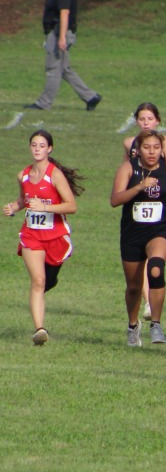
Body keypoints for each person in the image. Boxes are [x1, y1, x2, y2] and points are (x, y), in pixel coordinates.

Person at [3, 130, 84, 345]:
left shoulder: (54, 175)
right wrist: (14, 207)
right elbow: (24, 200)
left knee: (48, 280)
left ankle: (48, 284)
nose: (37, 149)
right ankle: (40, 330)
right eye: (34, 145)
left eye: (41, 145)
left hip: (55, 235)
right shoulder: (23, 175)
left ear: (49, 149)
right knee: (38, 281)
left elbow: (71, 206)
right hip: (31, 236)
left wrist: (46, 207)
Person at [110, 130, 166, 347]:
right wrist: (140, 186)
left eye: (156, 147)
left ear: (162, 150)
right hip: (132, 233)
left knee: (156, 268)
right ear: (138, 150)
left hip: (159, 229)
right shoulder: (128, 168)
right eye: (146, 147)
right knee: (134, 287)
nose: (151, 152)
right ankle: (133, 326)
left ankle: (156, 324)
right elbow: (115, 200)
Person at [123, 102, 166, 321]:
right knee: (137, 269)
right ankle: (143, 307)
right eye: (142, 119)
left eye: (150, 119)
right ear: (136, 121)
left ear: (157, 120)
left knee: (154, 260)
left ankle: (150, 303)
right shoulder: (129, 143)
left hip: (159, 206)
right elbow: (125, 174)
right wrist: (136, 187)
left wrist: (158, 182)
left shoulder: (165, 143)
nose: (146, 123)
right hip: (135, 212)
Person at [24, 0, 101, 111]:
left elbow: (65, 12)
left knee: (53, 68)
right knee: (64, 69)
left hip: (58, 33)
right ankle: (91, 97)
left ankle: (44, 103)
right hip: (58, 32)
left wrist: (62, 37)